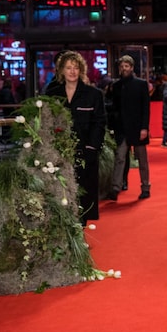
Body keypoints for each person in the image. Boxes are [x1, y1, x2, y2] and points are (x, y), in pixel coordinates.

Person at [45, 51, 107, 226]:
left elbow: (99, 123)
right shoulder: (52, 93)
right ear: (61, 71)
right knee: (60, 191)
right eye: (68, 67)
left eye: (76, 67)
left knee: (83, 192)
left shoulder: (93, 94)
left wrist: (92, 148)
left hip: (85, 151)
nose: (72, 71)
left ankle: (80, 229)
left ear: (81, 70)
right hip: (59, 153)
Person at [108, 54, 151, 200]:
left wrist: (144, 128)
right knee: (120, 157)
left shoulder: (141, 84)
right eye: (121, 66)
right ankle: (115, 187)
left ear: (132, 68)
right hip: (122, 129)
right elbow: (114, 108)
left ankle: (145, 187)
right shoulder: (116, 86)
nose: (123, 69)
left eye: (126, 66)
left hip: (138, 128)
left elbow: (146, 108)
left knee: (142, 159)